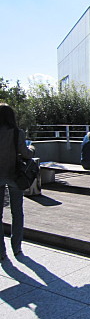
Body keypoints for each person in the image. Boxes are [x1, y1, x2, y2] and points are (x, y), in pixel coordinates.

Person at [0, 103, 35, 260]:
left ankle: (1, 252)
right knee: (17, 212)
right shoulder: (16, 133)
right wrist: (32, 148)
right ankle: (17, 248)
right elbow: (26, 154)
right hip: (14, 175)